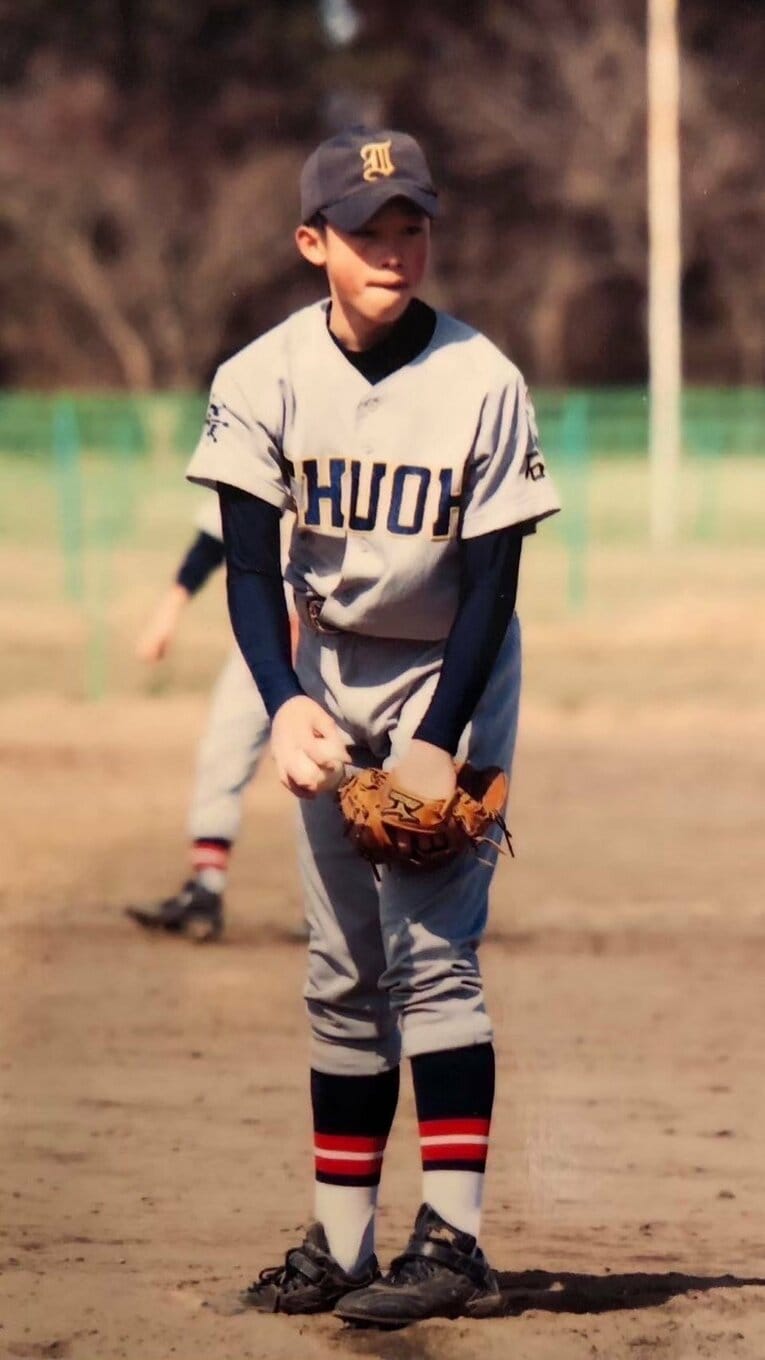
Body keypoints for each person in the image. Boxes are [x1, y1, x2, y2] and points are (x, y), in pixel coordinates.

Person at [186, 127, 560, 1326]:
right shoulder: (262, 376)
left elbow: (494, 584)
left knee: (433, 957)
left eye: (413, 225)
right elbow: (251, 570)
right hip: (329, 672)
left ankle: (454, 1241)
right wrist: (287, 699)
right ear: (315, 245)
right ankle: (342, 1241)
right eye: (368, 229)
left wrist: (440, 735)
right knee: (342, 967)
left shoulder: (482, 379)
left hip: (454, 669)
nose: (396, 248)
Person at [124, 494, 274, 942]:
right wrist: (167, 613)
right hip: (262, 644)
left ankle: (354, 911)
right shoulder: (263, 434)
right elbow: (214, 537)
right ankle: (205, 890)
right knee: (222, 754)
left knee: (333, 781)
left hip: (338, 649)